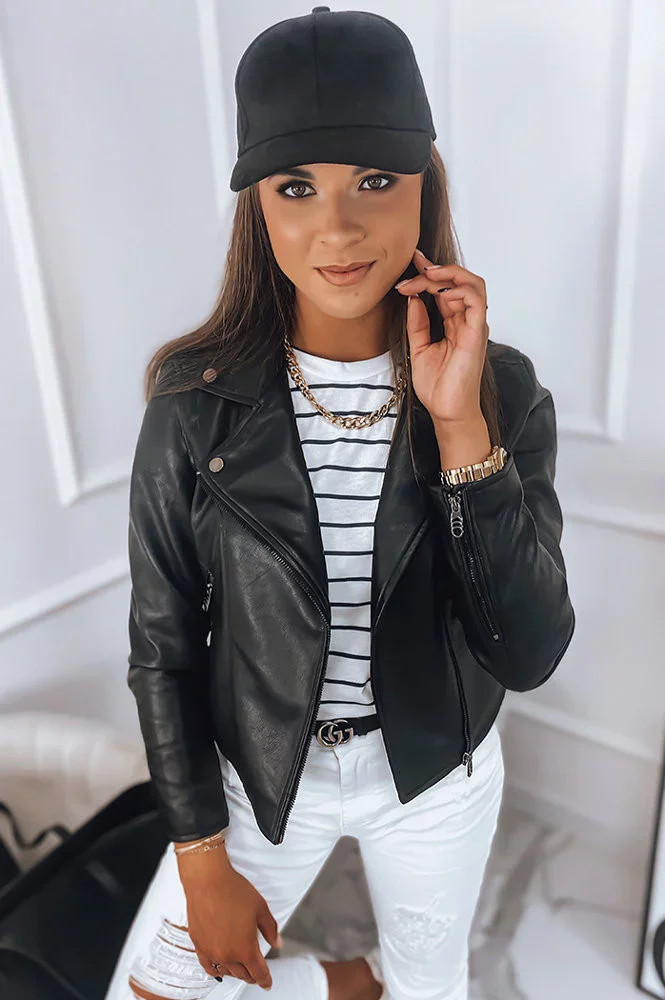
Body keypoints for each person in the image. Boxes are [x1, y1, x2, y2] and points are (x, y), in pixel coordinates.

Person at [104, 8, 576, 1000]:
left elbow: (527, 653)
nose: (337, 227)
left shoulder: (501, 389)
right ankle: (340, 982)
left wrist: (459, 427)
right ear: (258, 208)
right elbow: (162, 645)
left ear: (423, 184)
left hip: (435, 770)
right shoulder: (191, 405)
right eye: (295, 187)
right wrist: (199, 851)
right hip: (258, 768)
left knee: (430, 988)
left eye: (373, 179)